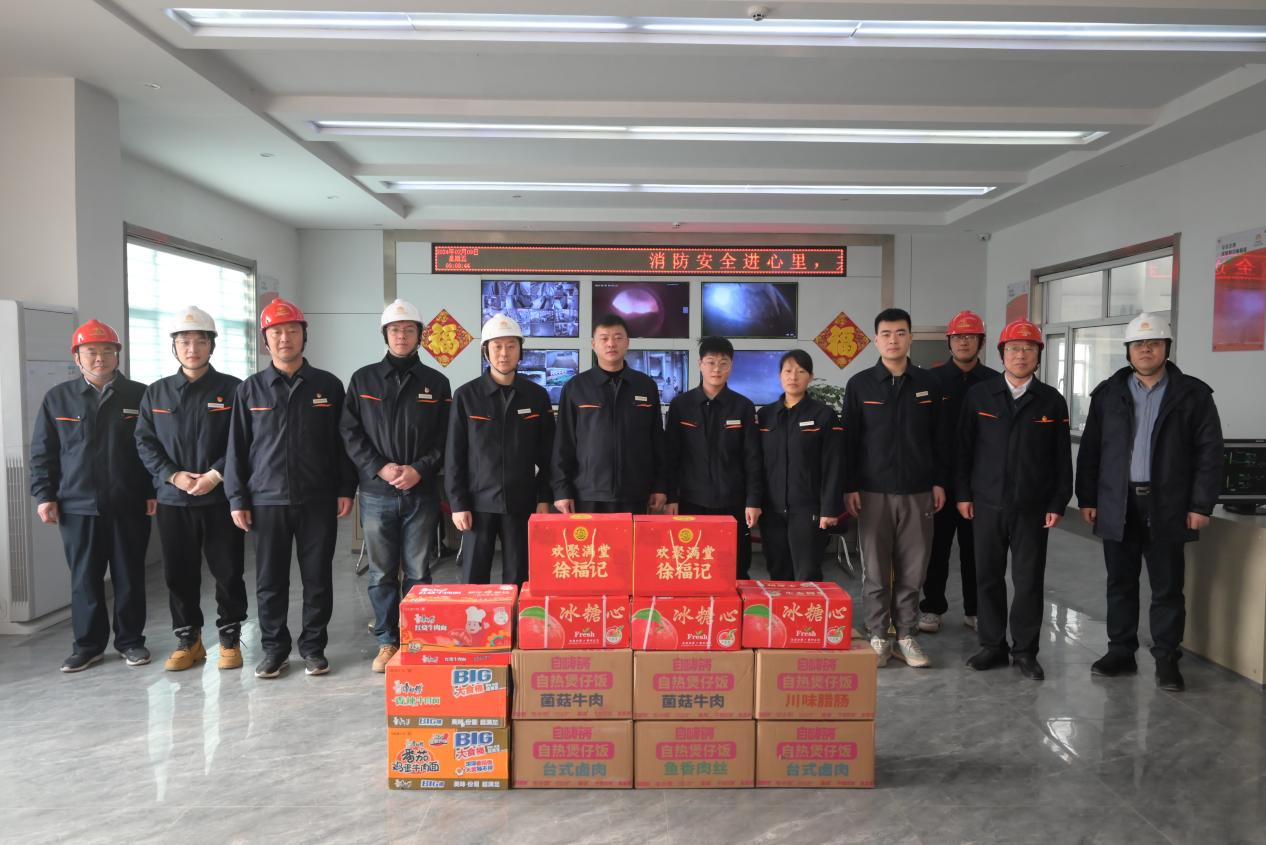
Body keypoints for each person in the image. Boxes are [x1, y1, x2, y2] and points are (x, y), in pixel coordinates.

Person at [1076, 312, 1223, 692]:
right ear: (1128, 350)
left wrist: (1201, 505)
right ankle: (1120, 652)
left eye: (1153, 343)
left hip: (1168, 505)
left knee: (1167, 587)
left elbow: (1209, 453)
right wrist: (1088, 497)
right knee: (1120, 582)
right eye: (1138, 344)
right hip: (1118, 503)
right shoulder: (1108, 393)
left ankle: (1166, 659)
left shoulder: (1192, 395)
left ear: (1166, 348)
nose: (1146, 350)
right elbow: (1091, 450)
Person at [225, 299, 356, 679]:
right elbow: (236, 448)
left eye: (292, 331)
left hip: (318, 499)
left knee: (317, 579)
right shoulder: (250, 390)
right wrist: (237, 498)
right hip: (266, 501)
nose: (285, 338)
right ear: (266, 340)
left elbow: (343, 443)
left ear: (303, 336)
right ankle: (274, 650)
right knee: (270, 582)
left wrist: (346, 488)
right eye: (276, 332)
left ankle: (313, 648)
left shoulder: (328, 386)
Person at [30, 319, 156, 672]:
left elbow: (151, 449)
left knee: (129, 576)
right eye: (90, 351)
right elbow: (43, 452)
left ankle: (131, 642)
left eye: (107, 350)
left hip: (129, 503)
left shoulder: (140, 395)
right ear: (77, 357)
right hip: (77, 505)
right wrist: (44, 495)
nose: (99, 358)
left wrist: (152, 490)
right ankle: (87, 646)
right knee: (84, 579)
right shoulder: (58, 398)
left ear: (117, 354)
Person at [956, 320, 1072, 681]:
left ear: (1038, 355)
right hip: (986, 503)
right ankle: (992, 645)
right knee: (987, 576)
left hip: (1032, 508)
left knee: (1028, 580)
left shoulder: (1051, 400)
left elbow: (1061, 458)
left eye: (1028, 348)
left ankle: (1025, 651)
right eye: (1013, 349)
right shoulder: (980, 396)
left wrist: (1057, 502)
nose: (1020, 355)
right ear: (1002, 354)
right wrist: (963, 494)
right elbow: (963, 450)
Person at [340, 299, 451, 672]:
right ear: (385, 335)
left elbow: (446, 436)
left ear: (420, 335)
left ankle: (416, 638)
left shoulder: (436, 383)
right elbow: (350, 433)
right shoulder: (363, 380)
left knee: (419, 571)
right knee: (381, 572)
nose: (401, 335)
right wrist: (380, 468)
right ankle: (388, 640)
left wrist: (420, 469)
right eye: (394, 330)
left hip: (421, 492)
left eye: (408, 329)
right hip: (377, 493)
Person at [135, 306, 248, 671]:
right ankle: (189, 640)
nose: (192, 348)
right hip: (174, 500)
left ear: (212, 346)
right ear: (174, 347)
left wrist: (215, 475)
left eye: (200, 341)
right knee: (178, 574)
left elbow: (243, 441)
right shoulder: (157, 393)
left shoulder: (234, 389)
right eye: (184, 341)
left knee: (228, 571)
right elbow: (145, 442)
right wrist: (172, 475)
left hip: (220, 499)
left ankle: (230, 637)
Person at [844, 308, 944, 669]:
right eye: (886, 334)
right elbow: (850, 441)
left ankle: (906, 634)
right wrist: (850, 486)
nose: (893, 340)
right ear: (875, 340)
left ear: (910, 337)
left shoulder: (929, 384)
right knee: (874, 569)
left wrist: (938, 482)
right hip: (873, 491)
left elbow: (940, 438)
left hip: (918, 491)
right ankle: (877, 633)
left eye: (900, 333)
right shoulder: (860, 384)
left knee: (913, 569)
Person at [445, 314, 554, 587]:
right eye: (497, 346)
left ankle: (516, 617)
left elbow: (548, 454)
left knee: (519, 578)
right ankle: (477, 618)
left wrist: (544, 498)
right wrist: (458, 504)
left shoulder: (536, 396)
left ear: (520, 351)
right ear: (486, 351)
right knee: (474, 579)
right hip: (477, 504)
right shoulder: (466, 396)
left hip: (522, 503)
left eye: (511, 346)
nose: (504, 353)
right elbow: (454, 455)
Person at [919, 309, 1002, 634]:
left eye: (970, 337)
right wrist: (933, 479)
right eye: (957, 337)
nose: (963, 342)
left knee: (976, 550)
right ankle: (932, 607)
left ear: (981, 342)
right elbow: (924, 434)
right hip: (941, 482)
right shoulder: (932, 381)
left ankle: (975, 609)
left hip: (981, 483)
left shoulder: (995, 382)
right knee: (936, 549)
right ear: (949, 342)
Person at [664, 336, 764, 579]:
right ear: (700, 364)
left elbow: (752, 458)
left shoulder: (743, 407)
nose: (716, 369)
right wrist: (671, 497)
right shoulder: (681, 405)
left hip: (733, 501)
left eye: (723, 363)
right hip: (691, 500)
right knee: (692, 564)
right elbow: (671, 456)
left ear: (731, 366)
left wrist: (753, 500)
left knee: (736, 567)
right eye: (710, 362)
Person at [552, 314, 666, 515]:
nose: (611, 344)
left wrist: (660, 486)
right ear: (593, 344)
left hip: (636, 493)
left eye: (618, 337)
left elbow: (657, 440)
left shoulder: (645, 386)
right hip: (587, 493)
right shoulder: (576, 387)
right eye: (604, 338)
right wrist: (561, 490)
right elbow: (563, 442)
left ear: (627, 343)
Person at [756, 349, 842, 581]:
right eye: (788, 371)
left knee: (807, 574)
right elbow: (756, 463)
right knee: (777, 573)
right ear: (779, 376)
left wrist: (829, 508)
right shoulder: (765, 416)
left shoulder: (824, 415)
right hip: (772, 510)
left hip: (808, 509)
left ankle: (809, 608)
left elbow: (833, 465)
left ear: (810, 377)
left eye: (801, 371)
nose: (793, 377)